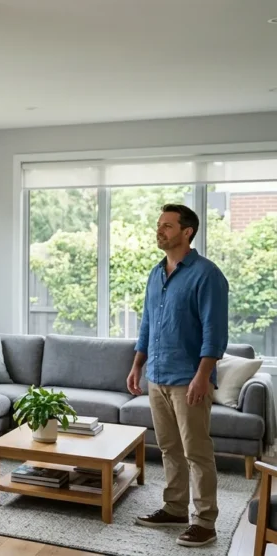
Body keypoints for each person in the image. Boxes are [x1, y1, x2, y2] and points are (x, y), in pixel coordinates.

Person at [127, 203, 229, 548]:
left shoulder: (207, 274)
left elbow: (215, 331)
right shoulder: (156, 274)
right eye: (159, 225)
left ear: (187, 232)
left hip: (189, 379)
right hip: (156, 375)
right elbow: (147, 325)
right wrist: (137, 365)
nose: (160, 230)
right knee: (169, 448)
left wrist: (204, 375)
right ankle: (174, 508)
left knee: (197, 452)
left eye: (167, 226)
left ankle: (205, 523)